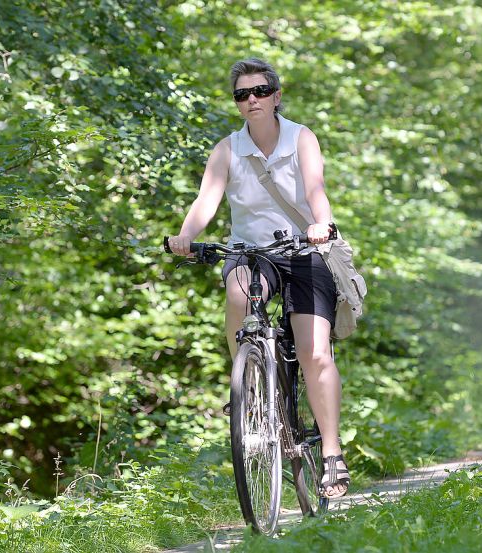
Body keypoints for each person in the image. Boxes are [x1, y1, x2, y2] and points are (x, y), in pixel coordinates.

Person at [167, 58, 349, 498]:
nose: (252, 100)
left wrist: (320, 224)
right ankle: (248, 381)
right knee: (236, 290)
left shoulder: (301, 138)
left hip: (304, 249)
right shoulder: (227, 149)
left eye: (260, 92)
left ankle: (331, 453)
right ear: (237, 103)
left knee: (314, 352)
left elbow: (315, 190)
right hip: (251, 251)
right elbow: (206, 199)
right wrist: (186, 236)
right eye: (242, 94)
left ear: (276, 96)